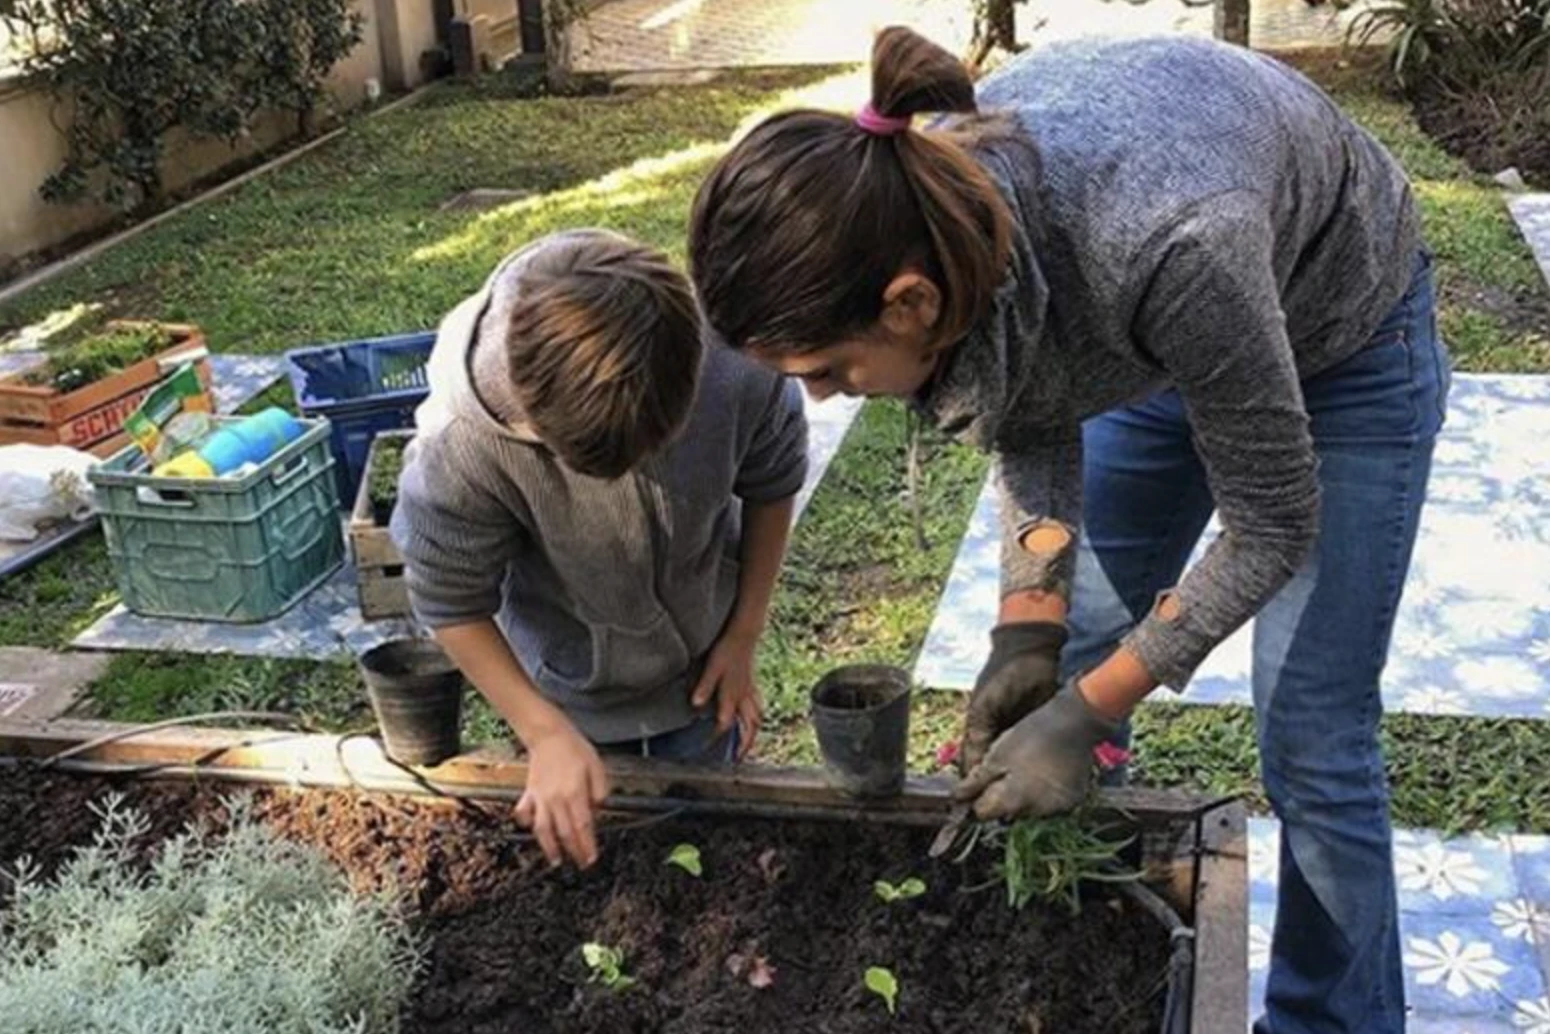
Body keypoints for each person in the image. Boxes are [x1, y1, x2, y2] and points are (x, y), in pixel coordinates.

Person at [687, 27, 1448, 1034]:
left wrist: (1084, 714)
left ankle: (1332, 1022)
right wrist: (1026, 623)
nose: (824, 399)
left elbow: (1268, 522)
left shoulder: (1171, 241)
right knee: (1081, 645)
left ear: (907, 301)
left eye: (826, 369)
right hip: (1159, 324)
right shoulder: (931, 196)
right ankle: (1072, 952)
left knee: (1309, 730)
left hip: (1339, 336)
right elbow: (1023, 387)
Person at [391, 229, 808, 871]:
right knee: (585, 838)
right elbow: (449, 598)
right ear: (533, 420)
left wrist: (744, 633)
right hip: (563, 685)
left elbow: (773, 480)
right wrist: (542, 731)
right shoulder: (463, 447)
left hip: (702, 671)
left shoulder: (738, 369)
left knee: (700, 846)